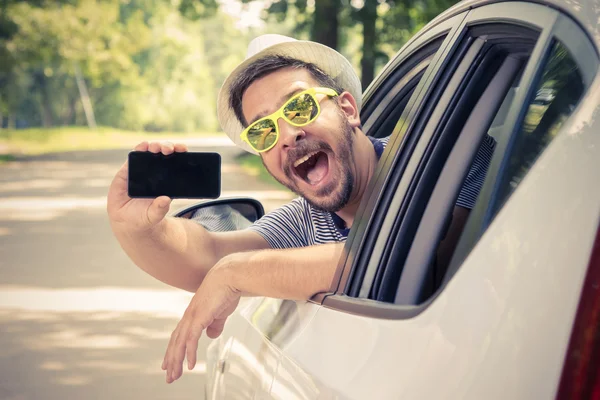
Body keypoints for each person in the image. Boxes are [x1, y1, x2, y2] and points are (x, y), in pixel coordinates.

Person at [107, 34, 495, 384]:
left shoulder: (445, 157)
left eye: (299, 107)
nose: (288, 135)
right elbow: (207, 254)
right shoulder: (303, 221)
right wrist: (139, 229)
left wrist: (237, 271)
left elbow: (428, 260)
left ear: (347, 109)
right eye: (264, 131)